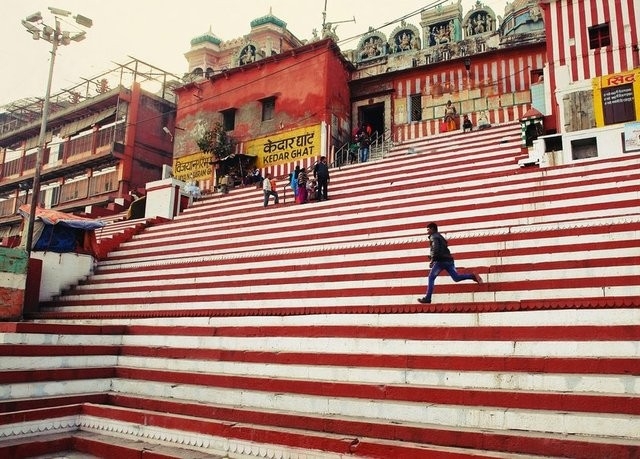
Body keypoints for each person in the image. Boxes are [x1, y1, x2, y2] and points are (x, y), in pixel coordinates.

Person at [417, 222, 482, 304]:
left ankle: (428, 298)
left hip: (440, 262)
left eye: (428, 229)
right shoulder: (440, 237)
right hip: (449, 260)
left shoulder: (433, 237)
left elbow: (435, 249)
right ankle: (472, 276)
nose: (427, 231)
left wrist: (432, 260)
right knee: (456, 277)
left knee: (431, 277)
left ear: (433, 229)